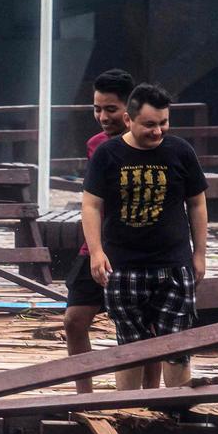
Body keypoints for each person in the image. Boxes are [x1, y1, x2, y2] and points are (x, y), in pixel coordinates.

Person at [81, 83, 208, 390]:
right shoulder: (108, 154)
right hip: (124, 266)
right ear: (129, 120)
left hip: (174, 265)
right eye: (150, 125)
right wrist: (96, 252)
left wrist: (200, 254)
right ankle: (127, 412)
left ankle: (177, 412)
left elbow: (197, 203)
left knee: (177, 346)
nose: (158, 131)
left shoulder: (181, 151)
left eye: (163, 123)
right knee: (129, 348)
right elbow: (91, 204)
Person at [64, 69, 161, 393]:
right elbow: (92, 201)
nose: (103, 117)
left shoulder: (154, 143)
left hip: (138, 247)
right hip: (98, 245)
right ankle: (84, 396)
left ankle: (151, 395)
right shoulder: (96, 145)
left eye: (110, 109)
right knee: (74, 320)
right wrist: (95, 249)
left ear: (130, 109)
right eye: (97, 109)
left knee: (147, 326)